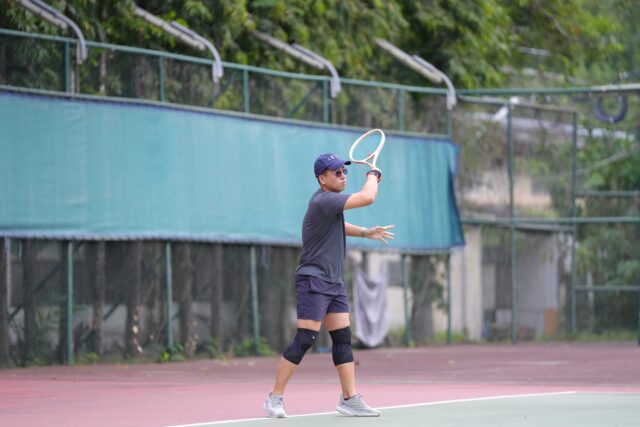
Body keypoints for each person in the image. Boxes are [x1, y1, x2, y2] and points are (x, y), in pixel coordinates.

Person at [264, 152, 395, 418]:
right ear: (322, 179)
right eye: (337, 173)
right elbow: (368, 197)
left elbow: (339, 224)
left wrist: (365, 232)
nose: (343, 176)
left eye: (344, 171)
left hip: (334, 282)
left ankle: (350, 399)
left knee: (342, 339)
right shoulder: (323, 200)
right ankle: (274, 397)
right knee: (305, 338)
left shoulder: (329, 205)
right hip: (313, 279)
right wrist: (373, 174)